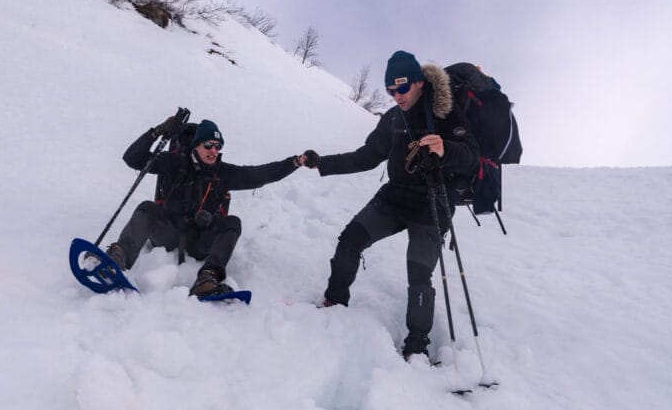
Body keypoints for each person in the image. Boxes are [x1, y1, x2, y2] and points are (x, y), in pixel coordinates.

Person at [298, 51, 479, 361]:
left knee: (418, 274)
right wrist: (321, 164)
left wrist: (445, 148)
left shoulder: (445, 113)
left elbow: (471, 155)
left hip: (433, 203)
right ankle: (334, 303)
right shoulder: (393, 118)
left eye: (403, 89)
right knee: (350, 240)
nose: (397, 97)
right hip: (394, 196)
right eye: (390, 91)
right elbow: (366, 156)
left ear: (420, 83)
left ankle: (417, 346)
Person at [106, 115, 304, 296]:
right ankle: (117, 257)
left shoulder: (223, 173)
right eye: (208, 145)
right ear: (196, 145)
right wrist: (156, 132)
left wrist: (295, 162)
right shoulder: (175, 163)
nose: (213, 151)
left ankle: (208, 277)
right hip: (168, 234)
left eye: (218, 146)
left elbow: (261, 174)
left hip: (200, 241)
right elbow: (132, 158)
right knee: (147, 208)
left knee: (232, 222)